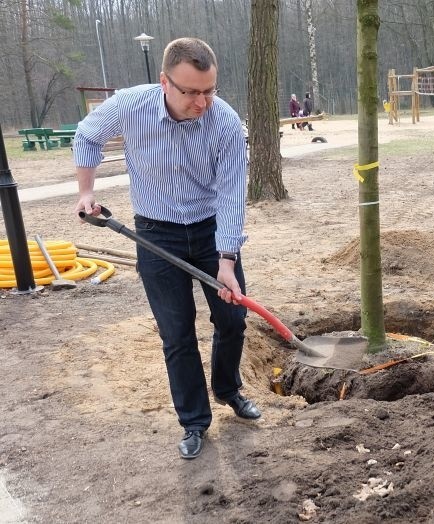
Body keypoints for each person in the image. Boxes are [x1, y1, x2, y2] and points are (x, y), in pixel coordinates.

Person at [73, 37, 260, 460]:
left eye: (209, 90)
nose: (202, 102)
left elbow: (232, 194)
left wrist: (226, 259)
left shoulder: (226, 123)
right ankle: (194, 421)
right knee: (177, 334)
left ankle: (229, 389)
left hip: (211, 231)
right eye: (191, 91)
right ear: (164, 82)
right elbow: (87, 136)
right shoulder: (131, 106)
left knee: (232, 319)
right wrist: (86, 192)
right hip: (156, 234)